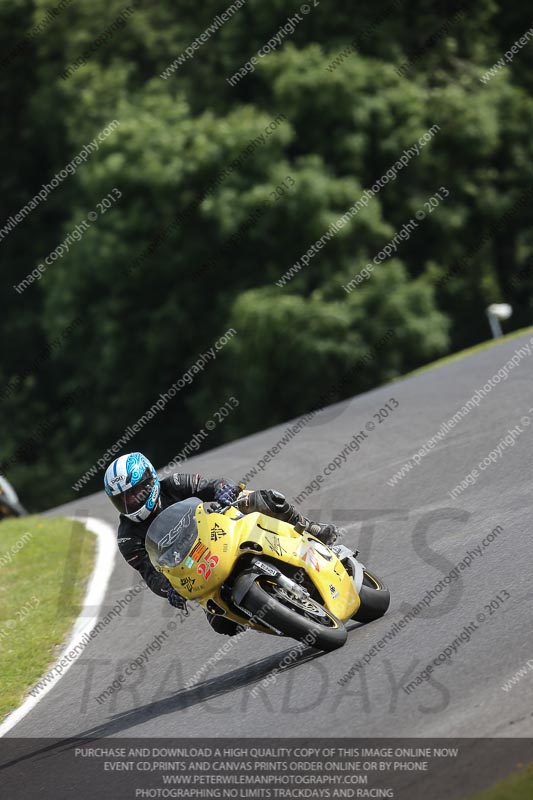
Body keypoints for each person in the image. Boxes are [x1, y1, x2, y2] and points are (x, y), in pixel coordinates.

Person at [104, 452, 340, 635]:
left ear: (149, 481)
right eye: (121, 500)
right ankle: (270, 617)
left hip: (219, 530)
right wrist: (170, 590)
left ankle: (311, 528)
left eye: (134, 493)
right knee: (221, 623)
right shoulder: (127, 536)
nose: (130, 503)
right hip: (194, 566)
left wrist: (224, 491)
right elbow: (150, 574)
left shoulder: (173, 484)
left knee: (266, 499)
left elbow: (212, 485)